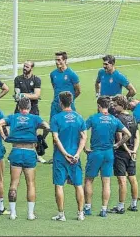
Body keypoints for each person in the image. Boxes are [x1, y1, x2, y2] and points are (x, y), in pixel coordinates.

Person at [0, 98, 49, 221]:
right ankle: (30, 214)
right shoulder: (35, 118)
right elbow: (47, 126)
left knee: (14, 183)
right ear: (29, 108)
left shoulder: (13, 117)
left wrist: (4, 137)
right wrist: (41, 137)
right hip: (30, 152)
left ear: (19, 107)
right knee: (30, 183)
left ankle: (13, 213)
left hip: (16, 151)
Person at [83, 97, 131, 218]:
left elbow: (82, 131)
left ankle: (87, 208)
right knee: (106, 182)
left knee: (89, 180)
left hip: (95, 152)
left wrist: (84, 148)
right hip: (109, 153)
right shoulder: (114, 120)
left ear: (99, 105)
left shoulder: (93, 118)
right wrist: (117, 144)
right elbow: (128, 134)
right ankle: (104, 209)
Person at [50, 92, 87, 222]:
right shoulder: (79, 117)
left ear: (60, 102)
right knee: (78, 184)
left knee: (59, 185)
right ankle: (80, 213)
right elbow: (84, 137)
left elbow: (55, 137)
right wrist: (77, 153)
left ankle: (61, 214)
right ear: (71, 102)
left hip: (61, 157)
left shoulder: (56, 118)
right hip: (75, 157)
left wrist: (65, 153)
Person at [47, 51, 81, 164]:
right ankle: (56, 155)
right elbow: (54, 87)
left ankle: (75, 154)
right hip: (55, 106)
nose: (57, 62)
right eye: (56, 60)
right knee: (54, 131)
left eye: (59, 60)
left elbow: (78, 90)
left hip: (68, 106)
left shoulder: (72, 74)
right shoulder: (53, 74)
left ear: (65, 60)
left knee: (72, 129)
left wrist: (69, 101)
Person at [109, 95, 139, 213]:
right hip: (132, 153)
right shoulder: (133, 118)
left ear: (121, 105)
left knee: (122, 180)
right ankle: (134, 204)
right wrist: (134, 150)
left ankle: (120, 206)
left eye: (115, 105)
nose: (114, 107)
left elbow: (120, 137)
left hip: (121, 153)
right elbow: (137, 136)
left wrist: (125, 149)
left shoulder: (118, 119)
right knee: (132, 178)